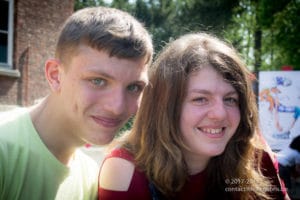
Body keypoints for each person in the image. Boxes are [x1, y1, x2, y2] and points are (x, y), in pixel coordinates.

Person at [98, 33, 289, 199]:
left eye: (230, 99)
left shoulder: (254, 156)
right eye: (200, 99)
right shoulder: (125, 170)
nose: (220, 113)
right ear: (164, 107)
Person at [0, 6, 153, 200]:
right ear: (55, 76)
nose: (117, 107)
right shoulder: (4, 150)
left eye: (134, 88)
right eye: (98, 81)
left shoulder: (90, 176)